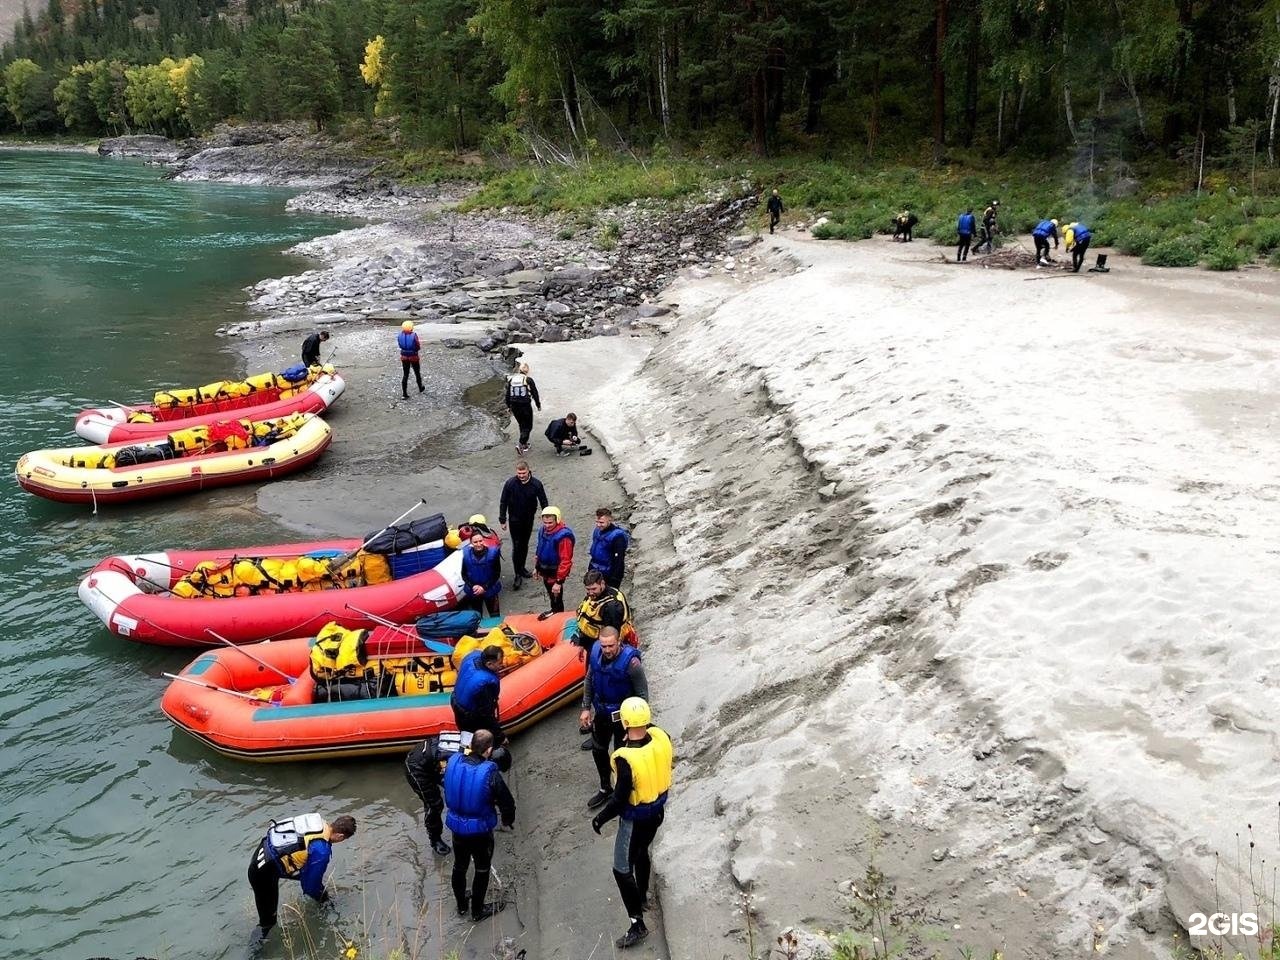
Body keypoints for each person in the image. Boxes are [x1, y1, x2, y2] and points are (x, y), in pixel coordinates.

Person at [589, 697, 673, 950]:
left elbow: (618, 799)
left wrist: (600, 818)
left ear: (625, 723)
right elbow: (649, 729)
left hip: (635, 820)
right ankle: (644, 894)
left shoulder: (625, 760)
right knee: (641, 852)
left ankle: (637, 924)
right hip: (657, 813)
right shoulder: (660, 737)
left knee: (621, 868)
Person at [247, 812, 356, 943]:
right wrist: (324, 902)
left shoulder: (318, 823)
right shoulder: (322, 850)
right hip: (263, 874)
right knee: (268, 923)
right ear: (340, 836)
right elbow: (310, 887)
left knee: (317, 886)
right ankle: (254, 951)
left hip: (261, 854)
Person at [443, 729, 516, 922]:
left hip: (456, 828)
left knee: (459, 866)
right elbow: (506, 802)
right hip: (480, 832)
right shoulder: (490, 772)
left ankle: (461, 906)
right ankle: (477, 911)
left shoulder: (454, 762)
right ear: (489, 750)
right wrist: (508, 820)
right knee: (482, 869)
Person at [405, 731, 512, 858]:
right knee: (434, 804)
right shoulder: (463, 758)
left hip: (438, 761)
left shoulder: (479, 745)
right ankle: (434, 839)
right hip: (418, 767)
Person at [582, 626, 649, 811]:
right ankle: (605, 788)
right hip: (602, 713)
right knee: (598, 750)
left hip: (624, 718)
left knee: (622, 756)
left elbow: (643, 695)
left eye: (611, 645)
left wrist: (637, 728)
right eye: (604, 646)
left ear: (619, 642)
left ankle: (623, 792)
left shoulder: (632, 663)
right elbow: (589, 680)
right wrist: (586, 708)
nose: (607, 650)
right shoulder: (595, 653)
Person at [498, 460, 548, 591]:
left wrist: (547, 517)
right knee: (517, 545)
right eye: (519, 473)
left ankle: (522, 568)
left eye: (523, 473)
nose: (521, 475)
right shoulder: (510, 484)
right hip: (514, 519)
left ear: (528, 471)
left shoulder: (536, 484)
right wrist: (502, 519)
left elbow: (543, 501)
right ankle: (517, 574)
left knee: (524, 544)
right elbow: (503, 501)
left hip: (528, 519)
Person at [451, 644, 505, 742]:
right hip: (468, 715)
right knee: (477, 739)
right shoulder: (484, 686)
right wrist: (500, 736)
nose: (502, 665)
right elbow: (486, 715)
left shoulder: (472, 657)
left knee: (466, 737)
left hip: (456, 700)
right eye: (500, 662)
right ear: (489, 664)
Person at [577, 572, 636, 654]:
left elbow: (612, 635)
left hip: (605, 644)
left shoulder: (611, 606)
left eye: (594, 589)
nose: (590, 593)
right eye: (588, 589)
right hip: (591, 639)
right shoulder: (595, 596)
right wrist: (582, 643)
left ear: (602, 583)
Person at [534, 505, 575, 613]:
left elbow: (565, 561)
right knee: (552, 598)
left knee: (557, 600)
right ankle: (555, 611)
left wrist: (559, 582)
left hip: (555, 575)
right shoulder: (543, 530)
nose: (547, 525)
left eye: (550, 523)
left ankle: (558, 616)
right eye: (545, 522)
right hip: (546, 572)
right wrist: (537, 567)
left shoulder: (564, 537)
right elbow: (540, 549)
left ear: (557, 520)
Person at [461, 530, 502, 616]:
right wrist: (473, 586)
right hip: (474, 591)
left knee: (495, 616)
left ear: (484, 540)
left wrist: (484, 587)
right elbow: (464, 574)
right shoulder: (465, 554)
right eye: (475, 542)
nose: (479, 544)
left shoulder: (493, 553)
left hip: (490, 589)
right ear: (471, 543)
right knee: (477, 618)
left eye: (480, 541)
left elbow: (496, 573)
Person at [505, 362, 541, 455]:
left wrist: (508, 406)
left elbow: (508, 394)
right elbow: (535, 393)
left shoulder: (511, 380)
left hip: (514, 406)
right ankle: (520, 444)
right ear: (527, 370)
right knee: (528, 426)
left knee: (521, 424)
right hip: (525, 406)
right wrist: (538, 404)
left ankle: (524, 444)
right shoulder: (528, 380)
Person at [589, 507, 630, 588]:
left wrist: (615, 579)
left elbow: (619, 560)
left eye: (601, 522)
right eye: (597, 522)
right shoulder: (597, 531)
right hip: (595, 570)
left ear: (610, 520)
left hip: (609, 574)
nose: (598, 525)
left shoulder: (618, 536)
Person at [397, 320, 424, 398]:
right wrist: (416, 350)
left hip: (404, 356)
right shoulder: (414, 335)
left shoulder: (399, 335)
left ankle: (404, 394)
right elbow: (417, 345)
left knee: (405, 374)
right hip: (413, 356)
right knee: (417, 373)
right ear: (411, 327)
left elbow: (399, 344)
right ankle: (420, 388)